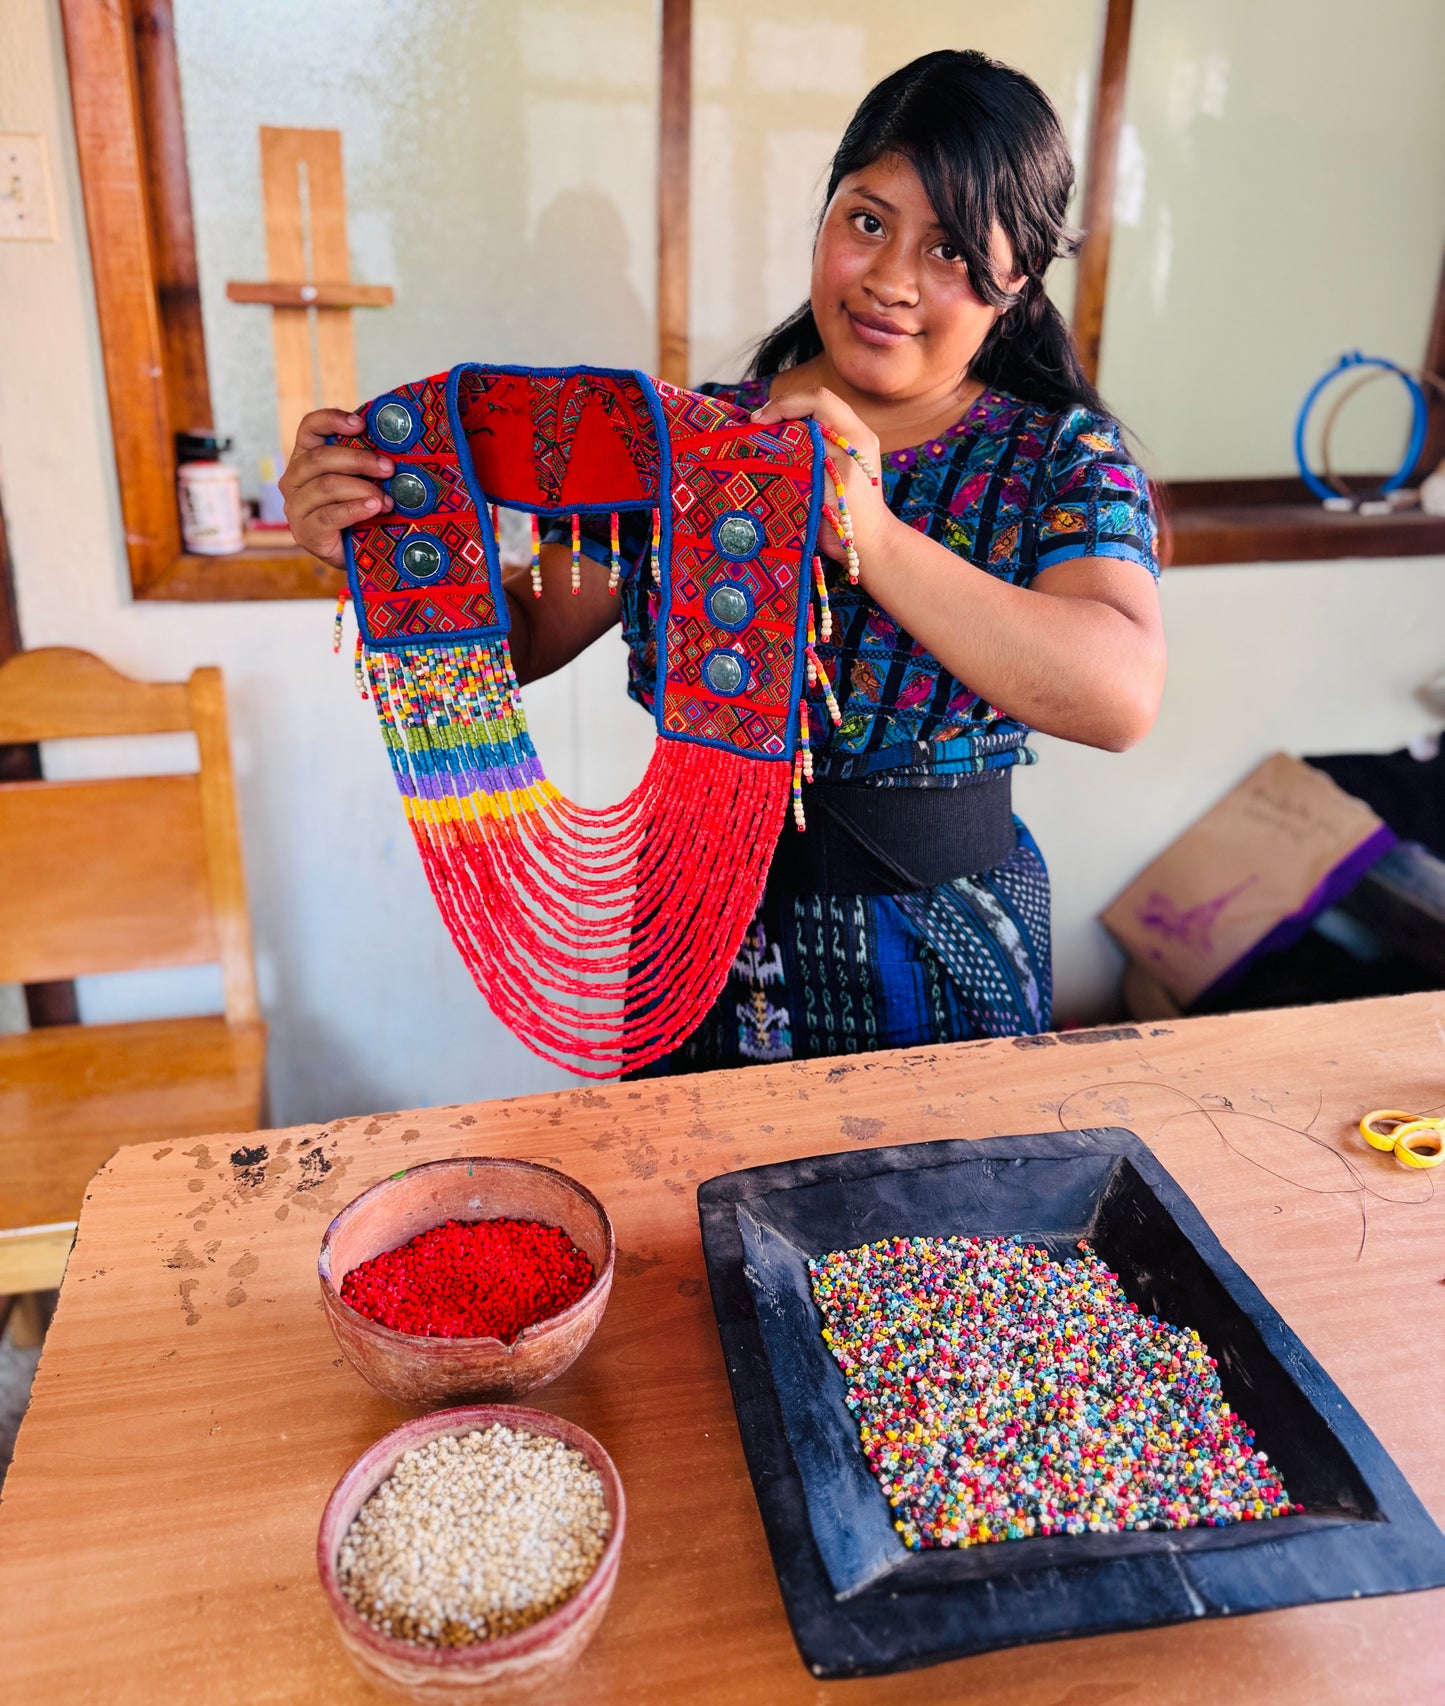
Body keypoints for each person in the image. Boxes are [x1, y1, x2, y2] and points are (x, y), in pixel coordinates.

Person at [280, 48, 1166, 1073]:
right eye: (865, 221)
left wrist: (870, 538)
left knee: (919, 1218)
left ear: (1015, 283)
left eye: (950, 250)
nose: (887, 280)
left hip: (940, 949)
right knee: (688, 1222)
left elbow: (1117, 692)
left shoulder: (1054, 457)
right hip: (694, 933)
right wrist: (367, 536)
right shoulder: (697, 442)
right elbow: (527, 627)